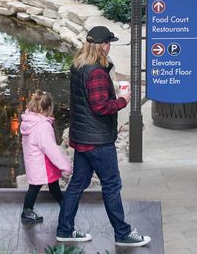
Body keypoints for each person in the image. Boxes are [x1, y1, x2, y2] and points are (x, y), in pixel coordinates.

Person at [56, 26, 152, 247]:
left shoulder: (79, 65)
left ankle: (65, 229)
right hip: (97, 140)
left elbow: (89, 100)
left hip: (82, 137)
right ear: (102, 45)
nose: (110, 46)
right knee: (111, 185)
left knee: (77, 184)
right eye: (108, 43)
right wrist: (123, 99)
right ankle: (122, 233)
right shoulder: (96, 72)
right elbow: (100, 106)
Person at [20, 90, 73, 224]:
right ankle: (27, 210)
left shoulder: (29, 120)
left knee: (52, 184)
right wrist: (65, 166)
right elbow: (50, 148)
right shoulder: (42, 126)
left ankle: (64, 204)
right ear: (49, 108)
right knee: (36, 186)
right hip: (42, 162)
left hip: (35, 159)